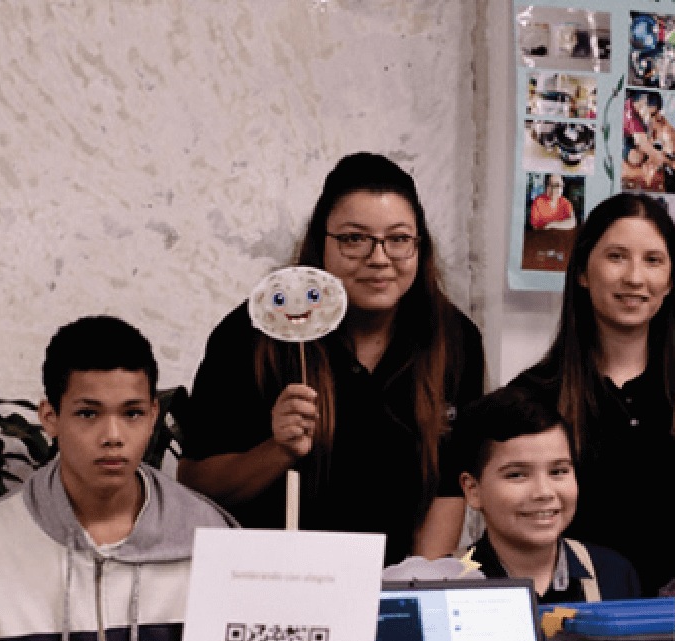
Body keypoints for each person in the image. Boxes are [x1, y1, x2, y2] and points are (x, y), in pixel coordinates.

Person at [179, 153, 485, 566]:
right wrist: (277, 451)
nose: (379, 258)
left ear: (420, 245)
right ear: (320, 243)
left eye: (398, 239)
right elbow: (194, 485)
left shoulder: (453, 338)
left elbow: (447, 487)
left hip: (391, 581)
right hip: (271, 577)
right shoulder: (257, 332)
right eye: (354, 239)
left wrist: (416, 586)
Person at [0, 317, 237, 641]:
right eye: (89, 414)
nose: (113, 436)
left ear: (153, 415)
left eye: (132, 413)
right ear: (50, 417)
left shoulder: (209, 535)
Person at [511, 193, 675, 596]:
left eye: (653, 260)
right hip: (571, 617)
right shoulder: (532, 399)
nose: (635, 278)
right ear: (583, 272)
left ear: (671, 281)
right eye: (616, 257)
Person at [457, 387, 640, 602]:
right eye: (517, 475)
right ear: (473, 490)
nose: (543, 492)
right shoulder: (444, 584)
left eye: (558, 471)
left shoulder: (613, 575)